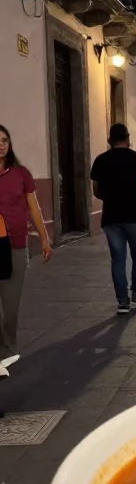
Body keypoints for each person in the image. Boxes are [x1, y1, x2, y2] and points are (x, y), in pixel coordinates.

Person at [91, 124, 136, 314]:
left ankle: (123, 301)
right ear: (128, 139)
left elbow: (96, 190)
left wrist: (111, 197)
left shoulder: (101, 160)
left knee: (117, 259)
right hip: (135, 216)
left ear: (109, 140)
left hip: (112, 217)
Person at [0, 125, 52, 377]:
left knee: (10, 306)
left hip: (15, 246)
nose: (1, 144)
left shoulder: (20, 174)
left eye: (4, 140)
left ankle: (6, 351)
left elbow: (33, 208)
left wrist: (44, 238)